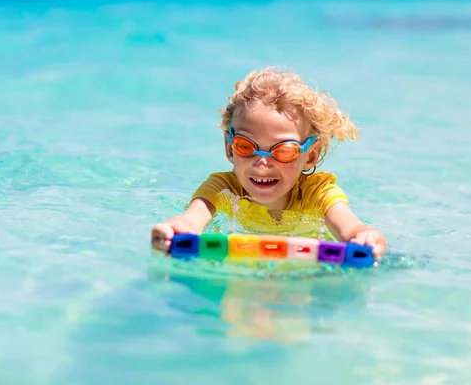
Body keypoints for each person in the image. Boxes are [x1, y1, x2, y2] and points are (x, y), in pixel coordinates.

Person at [151, 67, 388, 259]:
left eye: (284, 151)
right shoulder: (222, 188)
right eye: (245, 146)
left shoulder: (318, 193)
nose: (262, 163)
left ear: (311, 155)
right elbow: (191, 220)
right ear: (229, 147)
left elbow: (351, 229)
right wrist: (175, 230)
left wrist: (368, 237)